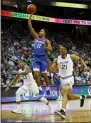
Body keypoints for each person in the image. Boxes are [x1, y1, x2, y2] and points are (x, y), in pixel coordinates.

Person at [48, 46, 88, 119]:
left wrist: (85, 66)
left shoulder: (71, 56)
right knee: (69, 97)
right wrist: (47, 64)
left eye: (63, 49)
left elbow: (80, 59)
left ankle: (62, 111)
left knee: (65, 90)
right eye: (60, 49)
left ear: (66, 50)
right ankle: (82, 97)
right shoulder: (57, 59)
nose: (61, 50)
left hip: (69, 78)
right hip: (62, 79)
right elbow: (51, 70)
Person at [28, 13, 52, 95]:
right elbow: (30, 28)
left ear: (44, 33)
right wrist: (30, 17)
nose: (39, 31)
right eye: (40, 30)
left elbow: (50, 49)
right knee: (36, 75)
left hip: (43, 59)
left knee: (45, 76)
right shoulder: (36, 37)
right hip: (36, 59)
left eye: (41, 31)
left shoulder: (46, 40)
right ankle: (40, 89)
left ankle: (48, 88)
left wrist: (45, 47)